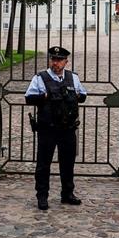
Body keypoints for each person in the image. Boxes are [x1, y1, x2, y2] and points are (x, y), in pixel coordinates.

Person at [24, 45, 87, 210]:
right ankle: (42, 196)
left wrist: (73, 96)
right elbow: (29, 98)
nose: (55, 63)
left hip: (68, 128)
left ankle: (67, 193)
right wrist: (44, 96)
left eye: (59, 60)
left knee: (68, 163)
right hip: (48, 128)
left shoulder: (73, 78)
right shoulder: (40, 77)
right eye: (53, 59)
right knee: (44, 164)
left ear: (66, 62)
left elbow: (83, 95)